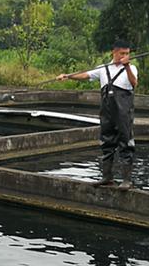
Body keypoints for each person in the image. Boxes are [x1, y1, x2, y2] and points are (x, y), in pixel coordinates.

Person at [56, 40, 138, 188]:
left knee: (125, 142)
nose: (124, 56)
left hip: (123, 113)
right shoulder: (103, 68)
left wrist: (126, 66)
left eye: (127, 54)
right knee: (107, 142)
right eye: (122, 53)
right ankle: (107, 177)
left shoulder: (131, 68)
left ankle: (127, 180)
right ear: (114, 52)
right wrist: (68, 76)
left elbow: (134, 83)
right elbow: (86, 75)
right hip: (107, 112)